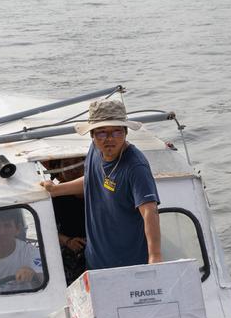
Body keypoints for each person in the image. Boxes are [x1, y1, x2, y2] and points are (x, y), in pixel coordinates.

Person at [40, 99, 161, 270]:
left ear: (125, 132)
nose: (109, 139)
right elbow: (92, 180)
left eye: (116, 132)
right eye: (102, 133)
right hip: (96, 260)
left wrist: (155, 257)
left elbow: (150, 211)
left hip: (129, 264)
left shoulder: (135, 166)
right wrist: (56, 189)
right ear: (92, 135)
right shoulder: (95, 150)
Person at [42, 157, 87, 283]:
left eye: (77, 164)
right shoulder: (54, 197)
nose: (72, 169)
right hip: (71, 251)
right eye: (67, 165)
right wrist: (67, 241)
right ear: (60, 170)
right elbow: (45, 231)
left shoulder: (100, 191)